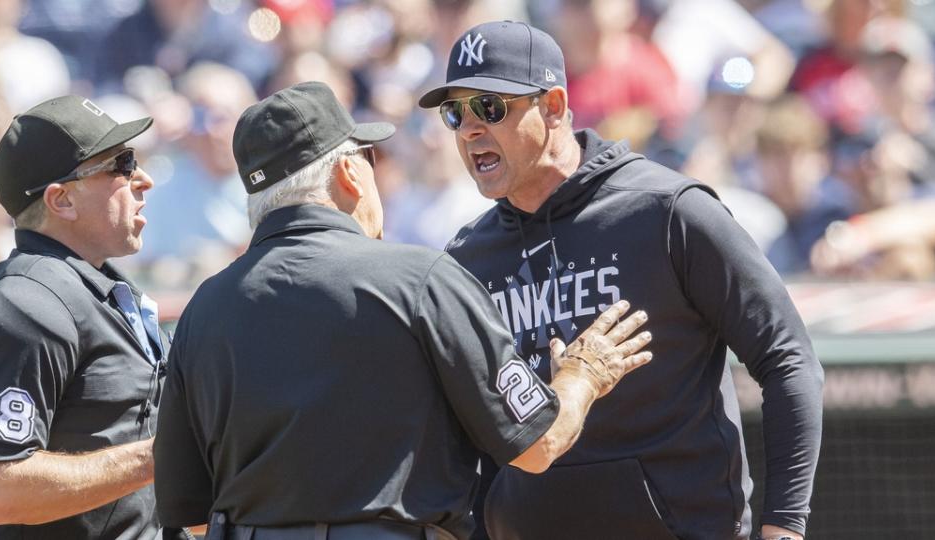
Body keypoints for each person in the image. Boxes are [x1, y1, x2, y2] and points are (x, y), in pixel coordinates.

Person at [152, 81, 653, 540]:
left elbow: (192, 514)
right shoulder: (419, 279)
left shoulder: (205, 309)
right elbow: (539, 443)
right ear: (349, 173)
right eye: (369, 157)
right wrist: (582, 374)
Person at [418, 20, 824, 540]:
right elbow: (462, 438)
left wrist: (784, 525)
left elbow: (787, 356)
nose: (470, 129)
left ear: (556, 107)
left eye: (490, 107)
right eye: (455, 113)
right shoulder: (467, 258)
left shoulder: (667, 211)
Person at [0, 96, 178, 538]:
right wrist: (163, 456)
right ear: (62, 199)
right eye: (121, 165)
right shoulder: (24, 303)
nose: (142, 179)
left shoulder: (100, 291)